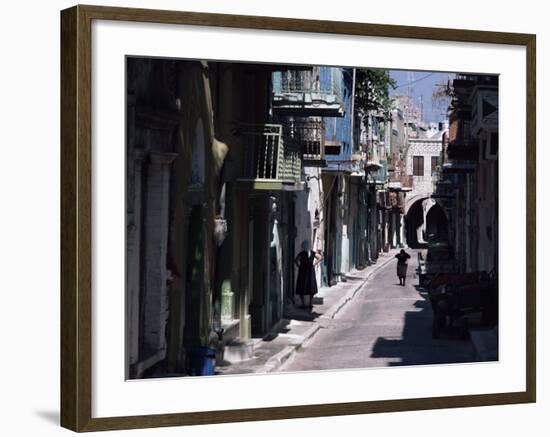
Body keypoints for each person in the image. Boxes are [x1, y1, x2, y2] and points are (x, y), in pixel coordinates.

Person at [294, 241, 322, 309]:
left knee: (302, 287)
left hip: (303, 271)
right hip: (310, 271)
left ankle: (304, 304)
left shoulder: (302, 253)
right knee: (310, 286)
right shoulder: (312, 253)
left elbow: (296, 260)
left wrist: (299, 266)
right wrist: (314, 264)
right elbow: (320, 257)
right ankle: (310, 303)